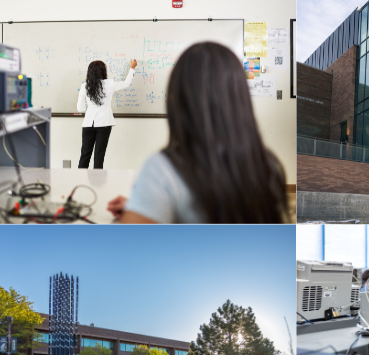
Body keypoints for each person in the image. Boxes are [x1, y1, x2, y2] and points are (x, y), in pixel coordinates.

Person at [105, 42, 289, 223]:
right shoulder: (267, 165)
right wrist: (149, 205)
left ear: (177, 98)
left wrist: (144, 203)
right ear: (240, 98)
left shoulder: (162, 170)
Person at [76, 59, 137, 169]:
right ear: (103, 71)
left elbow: (80, 108)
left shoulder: (84, 86)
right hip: (104, 124)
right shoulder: (110, 84)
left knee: (85, 155)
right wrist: (132, 68)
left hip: (88, 124)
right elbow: (126, 83)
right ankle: (97, 184)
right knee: (99, 156)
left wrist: (90, 108)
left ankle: (79, 181)